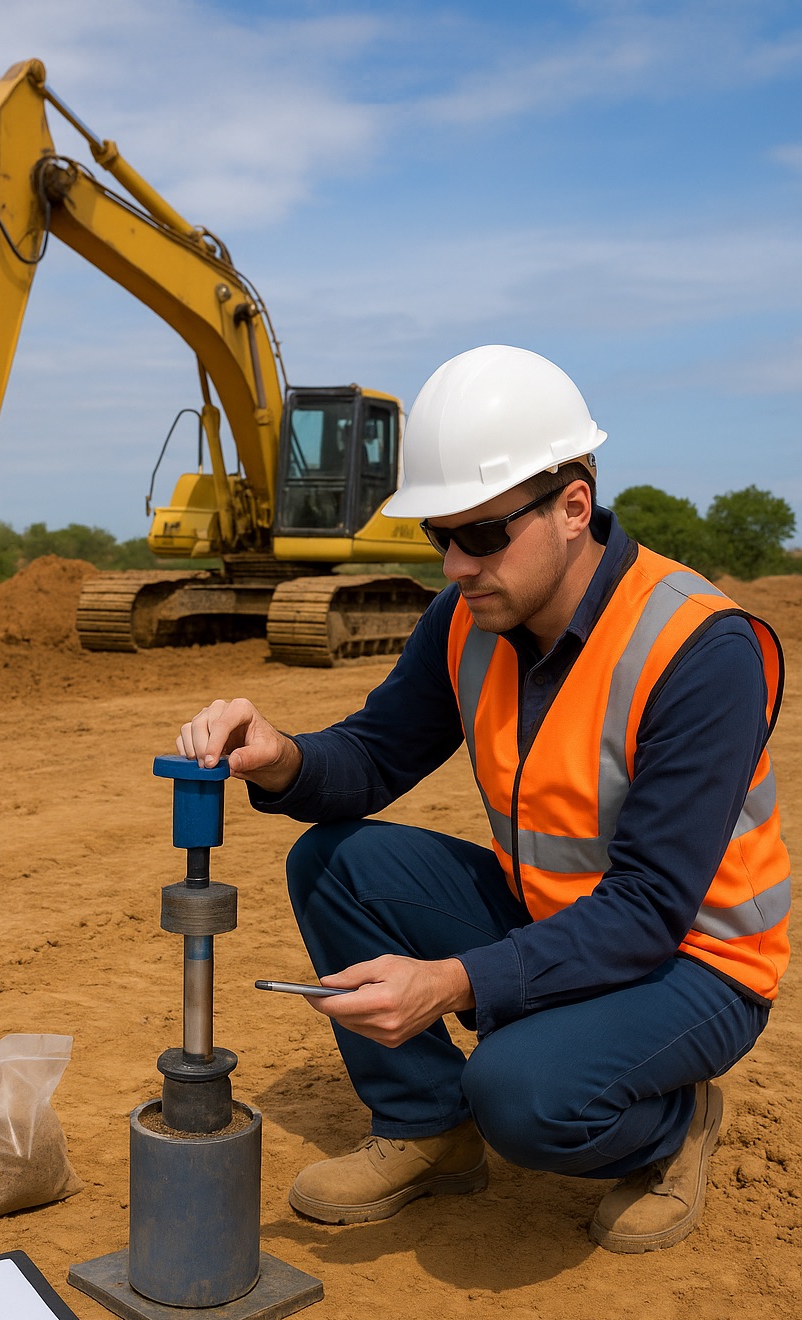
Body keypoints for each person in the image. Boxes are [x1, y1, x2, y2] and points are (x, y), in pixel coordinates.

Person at [177, 345, 790, 1254]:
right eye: (439, 538)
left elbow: (651, 908)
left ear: (573, 506)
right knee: (338, 863)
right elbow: (378, 753)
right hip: (557, 915)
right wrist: (279, 758)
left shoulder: (702, 652)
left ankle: (677, 1126)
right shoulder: (467, 617)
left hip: (695, 961)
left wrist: (452, 984)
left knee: (520, 1093)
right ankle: (428, 1127)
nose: (457, 565)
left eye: (483, 535)